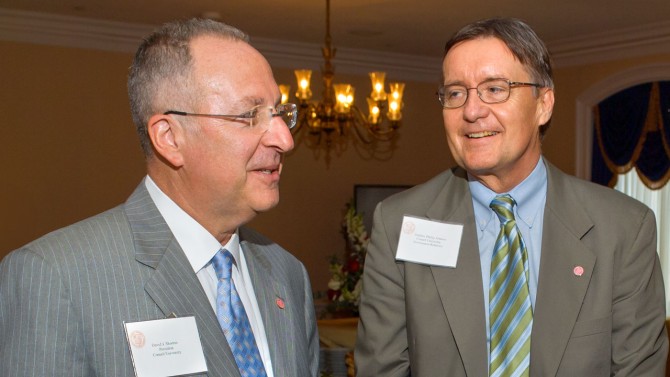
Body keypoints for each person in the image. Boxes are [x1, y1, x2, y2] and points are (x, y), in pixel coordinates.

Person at [0, 18, 319, 377]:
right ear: (169, 137)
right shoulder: (57, 277)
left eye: (278, 113)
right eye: (249, 116)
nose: (285, 139)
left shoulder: (286, 273)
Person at [355, 17, 667, 377]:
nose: (471, 111)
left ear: (543, 104)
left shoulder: (624, 229)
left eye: (495, 89)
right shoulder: (400, 224)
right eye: (456, 93)